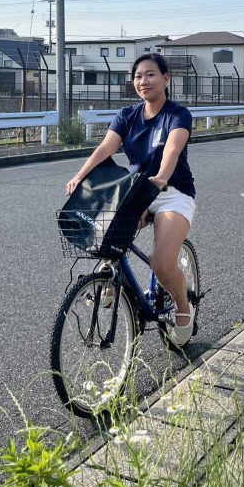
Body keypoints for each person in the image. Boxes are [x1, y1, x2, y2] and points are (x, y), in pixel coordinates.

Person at [65, 52, 196, 347]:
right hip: (136, 191)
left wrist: (162, 176)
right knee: (105, 238)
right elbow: (105, 149)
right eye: (138, 76)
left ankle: (184, 308)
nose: (143, 81)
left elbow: (172, 150)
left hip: (171, 194)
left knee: (161, 264)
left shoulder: (177, 114)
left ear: (166, 78)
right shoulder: (126, 115)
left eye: (150, 74)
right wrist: (80, 176)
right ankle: (114, 282)